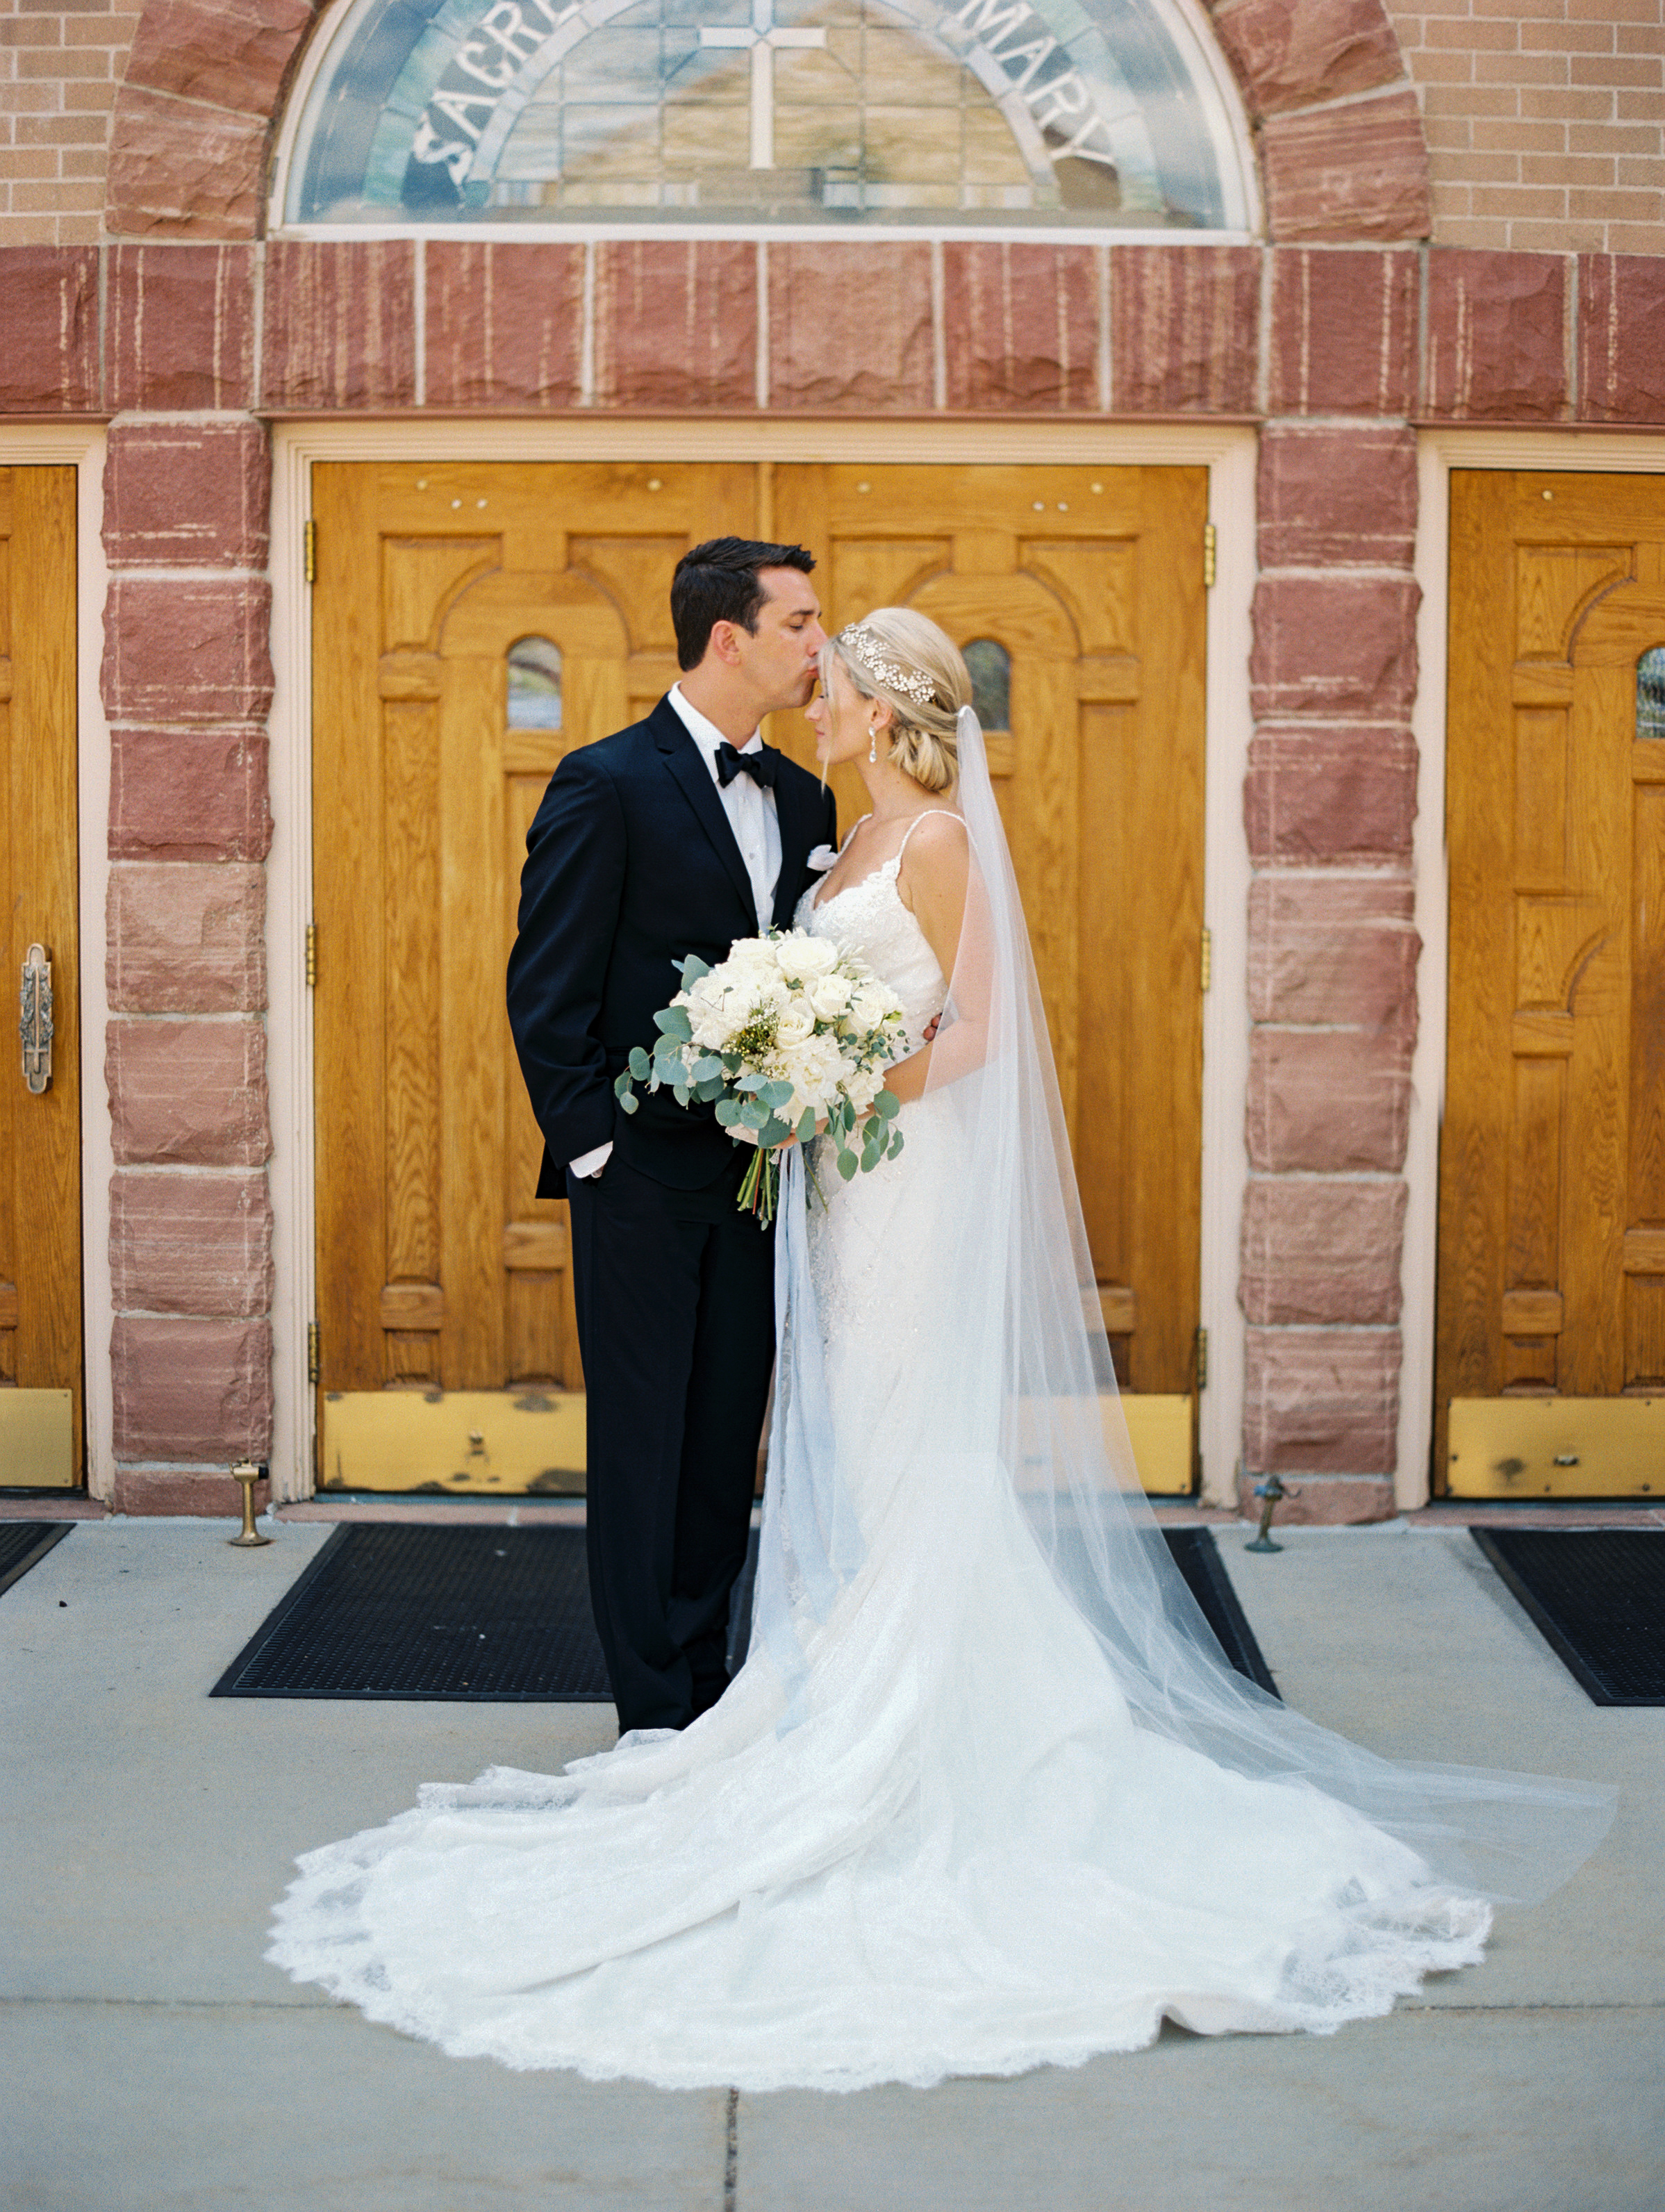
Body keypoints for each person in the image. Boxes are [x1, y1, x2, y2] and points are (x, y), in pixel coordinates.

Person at [271, 608, 1613, 2093]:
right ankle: (846, 1668)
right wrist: (779, 1077)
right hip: (835, 1191)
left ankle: (930, 1710)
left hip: (897, 1174)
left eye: (832, 684)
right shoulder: (831, 844)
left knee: (916, 1430)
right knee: (849, 1426)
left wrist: (828, 1086)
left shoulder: (935, 850)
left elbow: (968, 1037)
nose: (813, 697)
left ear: (891, 710)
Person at [503, 538, 836, 1734]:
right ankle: (651, 1711)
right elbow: (548, 990)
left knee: (721, 1438)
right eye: (800, 624)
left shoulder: (804, 798)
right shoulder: (606, 781)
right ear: (728, 639)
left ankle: (710, 1683)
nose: (819, 647)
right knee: (644, 1443)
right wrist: (597, 1151)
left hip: (758, 1178)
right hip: (638, 1176)